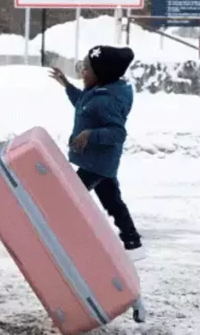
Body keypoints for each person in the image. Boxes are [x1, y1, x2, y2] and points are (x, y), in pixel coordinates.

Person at [49, 45, 144, 258]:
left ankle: (63, 239)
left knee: (70, 197)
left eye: (86, 70)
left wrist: (91, 135)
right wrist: (66, 85)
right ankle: (133, 241)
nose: (82, 72)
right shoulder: (97, 92)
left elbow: (117, 133)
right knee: (112, 201)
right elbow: (83, 105)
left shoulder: (107, 100)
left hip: (97, 164)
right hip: (99, 162)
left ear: (101, 74)